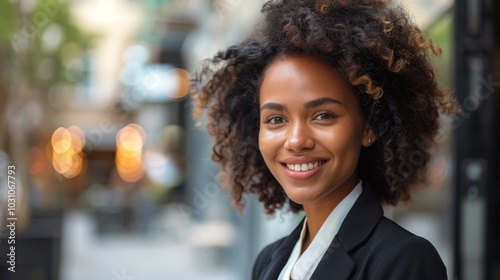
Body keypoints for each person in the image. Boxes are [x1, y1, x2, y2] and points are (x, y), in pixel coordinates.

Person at [191, 0, 459, 279]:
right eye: (275, 120)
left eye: (323, 116)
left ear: (369, 127)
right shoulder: (269, 261)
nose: (296, 140)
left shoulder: (403, 261)